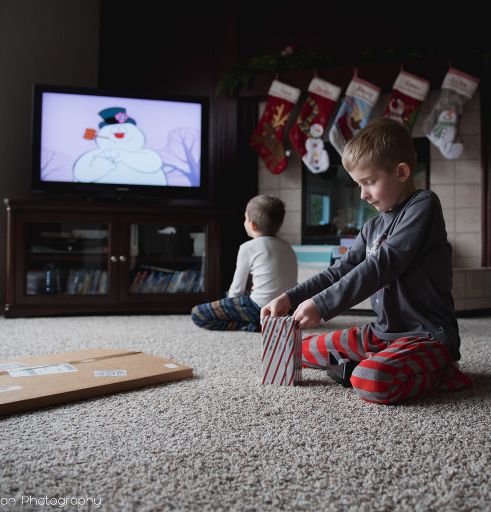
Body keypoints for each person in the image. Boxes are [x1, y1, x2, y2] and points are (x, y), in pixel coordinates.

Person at [261, 117, 472, 404]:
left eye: (369, 182)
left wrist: (322, 306)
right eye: (359, 184)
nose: (362, 194)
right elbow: (339, 272)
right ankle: (380, 357)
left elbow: (383, 265)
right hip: (382, 333)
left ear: (401, 172)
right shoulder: (371, 227)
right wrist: (290, 297)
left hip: (428, 337)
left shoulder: (423, 205)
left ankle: (445, 373)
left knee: (369, 380)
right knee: (299, 349)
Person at [192, 195, 297, 332]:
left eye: (245, 218)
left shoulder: (248, 247)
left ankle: (253, 326)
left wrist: (230, 304)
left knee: (197, 314)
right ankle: (269, 323)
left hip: (259, 308)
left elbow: (237, 290)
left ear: (253, 225)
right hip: (287, 311)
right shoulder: (287, 247)